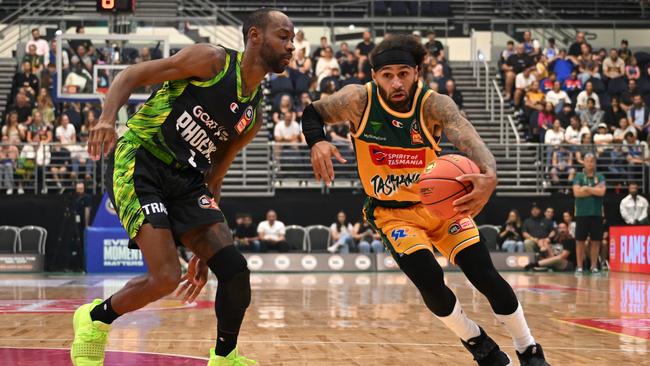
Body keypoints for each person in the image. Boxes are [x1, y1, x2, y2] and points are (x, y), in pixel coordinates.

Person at [300, 34, 548, 366]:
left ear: (417, 71)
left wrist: (490, 172)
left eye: (403, 73)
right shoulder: (357, 100)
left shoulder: (434, 103)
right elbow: (312, 113)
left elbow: (466, 135)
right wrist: (317, 142)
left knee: (484, 274)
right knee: (430, 280)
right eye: (387, 75)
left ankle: (528, 347)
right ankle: (477, 341)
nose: (396, 82)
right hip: (393, 214)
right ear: (375, 76)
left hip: (441, 207)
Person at [70, 8, 295, 365]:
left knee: (234, 271)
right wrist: (107, 119)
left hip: (189, 181)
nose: (291, 46)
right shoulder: (212, 60)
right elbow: (132, 74)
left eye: (293, 39)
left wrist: (203, 252)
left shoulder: (252, 113)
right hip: (141, 160)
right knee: (165, 277)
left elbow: (216, 175)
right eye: (283, 36)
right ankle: (95, 319)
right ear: (254, 36)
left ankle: (224, 357)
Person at [572, 154, 606, 275]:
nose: (590, 163)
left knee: (595, 241)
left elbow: (602, 192)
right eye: (587, 161)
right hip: (582, 213)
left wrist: (586, 188)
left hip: (596, 214)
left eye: (592, 161)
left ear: (595, 163)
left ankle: (593, 266)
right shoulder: (579, 176)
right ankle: (580, 267)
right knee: (580, 241)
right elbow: (576, 193)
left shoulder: (600, 176)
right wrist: (593, 190)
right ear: (584, 162)